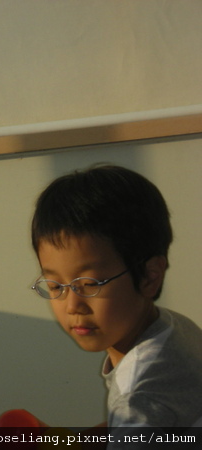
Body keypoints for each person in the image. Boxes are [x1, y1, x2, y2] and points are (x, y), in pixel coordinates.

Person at [29, 164, 202, 447]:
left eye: (90, 284)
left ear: (149, 276)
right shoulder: (173, 327)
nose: (72, 306)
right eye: (56, 286)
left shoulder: (138, 396)